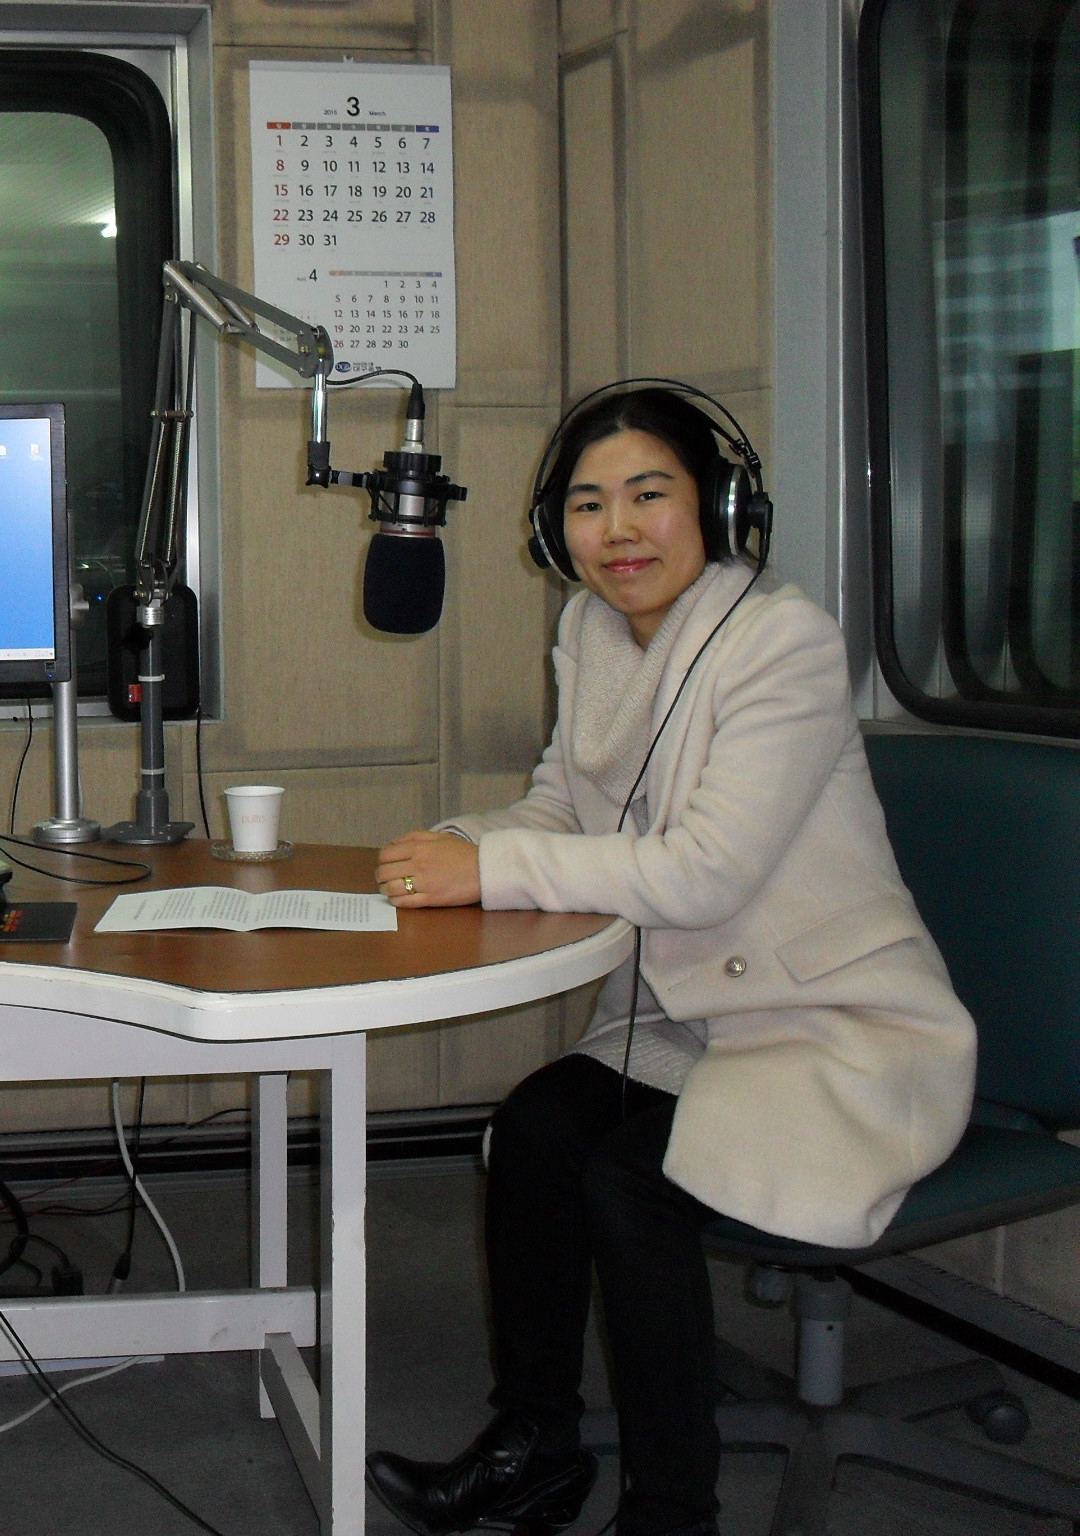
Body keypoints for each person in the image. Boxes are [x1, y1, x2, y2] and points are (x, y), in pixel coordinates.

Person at [363, 386, 975, 1536]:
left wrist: (492, 871)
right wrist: (455, 845)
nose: (617, 530)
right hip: (700, 1022)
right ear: (554, 531)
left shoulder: (781, 643)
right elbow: (560, 807)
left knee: (627, 1181)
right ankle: (534, 1447)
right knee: (538, 1126)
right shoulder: (590, 634)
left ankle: (671, 1514)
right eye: (586, 504)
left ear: (720, 507)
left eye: (648, 494)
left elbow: (702, 872)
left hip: (836, 1033)